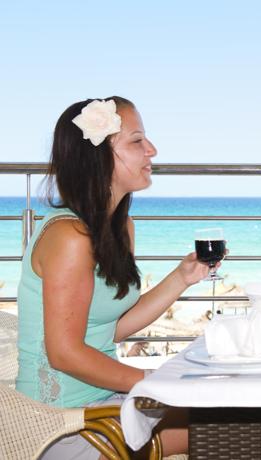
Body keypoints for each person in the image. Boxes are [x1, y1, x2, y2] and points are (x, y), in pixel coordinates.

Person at [16, 97, 210, 458]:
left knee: (232, 410)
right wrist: (152, 383)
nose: (152, 150)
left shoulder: (120, 228)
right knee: (225, 425)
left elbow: (113, 330)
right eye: (136, 141)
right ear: (98, 156)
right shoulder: (69, 238)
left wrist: (182, 278)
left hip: (106, 402)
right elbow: (64, 354)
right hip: (61, 425)